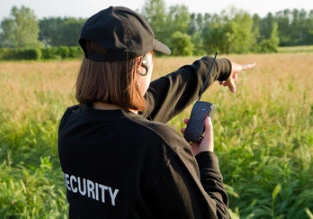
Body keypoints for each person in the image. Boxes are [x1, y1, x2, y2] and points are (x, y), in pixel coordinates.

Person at [58, 6, 255, 219]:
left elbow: (155, 99)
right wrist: (205, 159)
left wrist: (217, 67)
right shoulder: (159, 146)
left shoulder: (71, 123)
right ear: (141, 65)